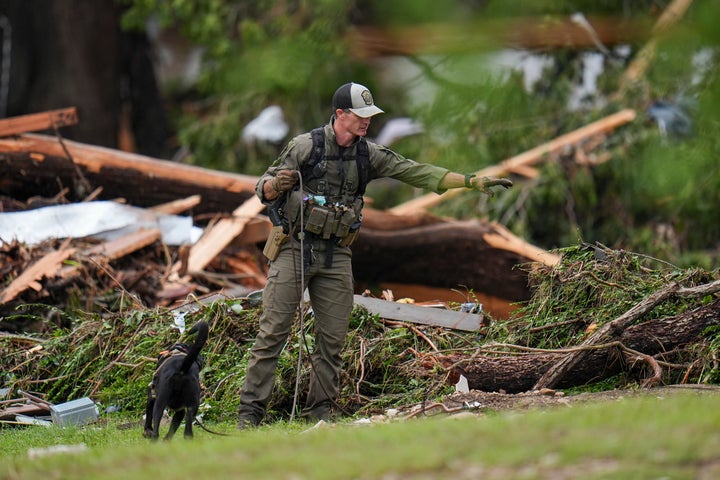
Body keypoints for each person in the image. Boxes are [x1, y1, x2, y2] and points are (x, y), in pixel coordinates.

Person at [237, 82, 512, 428]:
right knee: (273, 332)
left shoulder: (369, 155)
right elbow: (262, 188)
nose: (367, 121)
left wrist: (470, 181)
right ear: (340, 115)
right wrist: (277, 185)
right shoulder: (305, 146)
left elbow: (416, 171)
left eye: (370, 115)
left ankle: (319, 412)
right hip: (296, 247)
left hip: (336, 254)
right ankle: (250, 414)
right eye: (360, 115)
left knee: (333, 339)